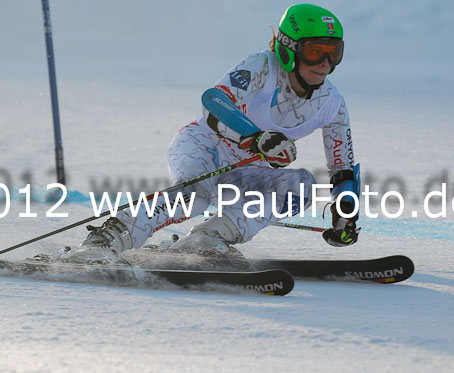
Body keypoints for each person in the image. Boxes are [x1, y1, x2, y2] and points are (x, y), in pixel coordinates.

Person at [70, 4, 360, 263]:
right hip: (204, 146)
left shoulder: (332, 103)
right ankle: (106, 241)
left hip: (243, 172)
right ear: (287, 49)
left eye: (334, 53)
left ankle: (207, 239)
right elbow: (214, 103)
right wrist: (256, 137)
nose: (325, 63)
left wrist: (345, 211)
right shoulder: (262, 67)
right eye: (314, 51)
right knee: (194, 197)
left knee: (301, 187)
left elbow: (343, 167)